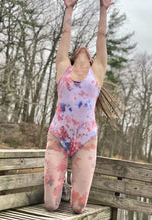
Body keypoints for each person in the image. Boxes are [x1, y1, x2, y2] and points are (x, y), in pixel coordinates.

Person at [44, 0, 115, 214]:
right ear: (74, 56)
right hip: (58, 136)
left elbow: (101, 37)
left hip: (85, 140)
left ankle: (68, 189)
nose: (84, 48)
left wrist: (103, 9)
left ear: (92, 60)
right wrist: (69, 7)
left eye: (89, 51)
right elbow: (66, 33)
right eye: (79, 49)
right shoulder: (63, 69)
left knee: (78, 208)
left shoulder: (97, 73)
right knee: (50, 205)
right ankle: (60, 187)